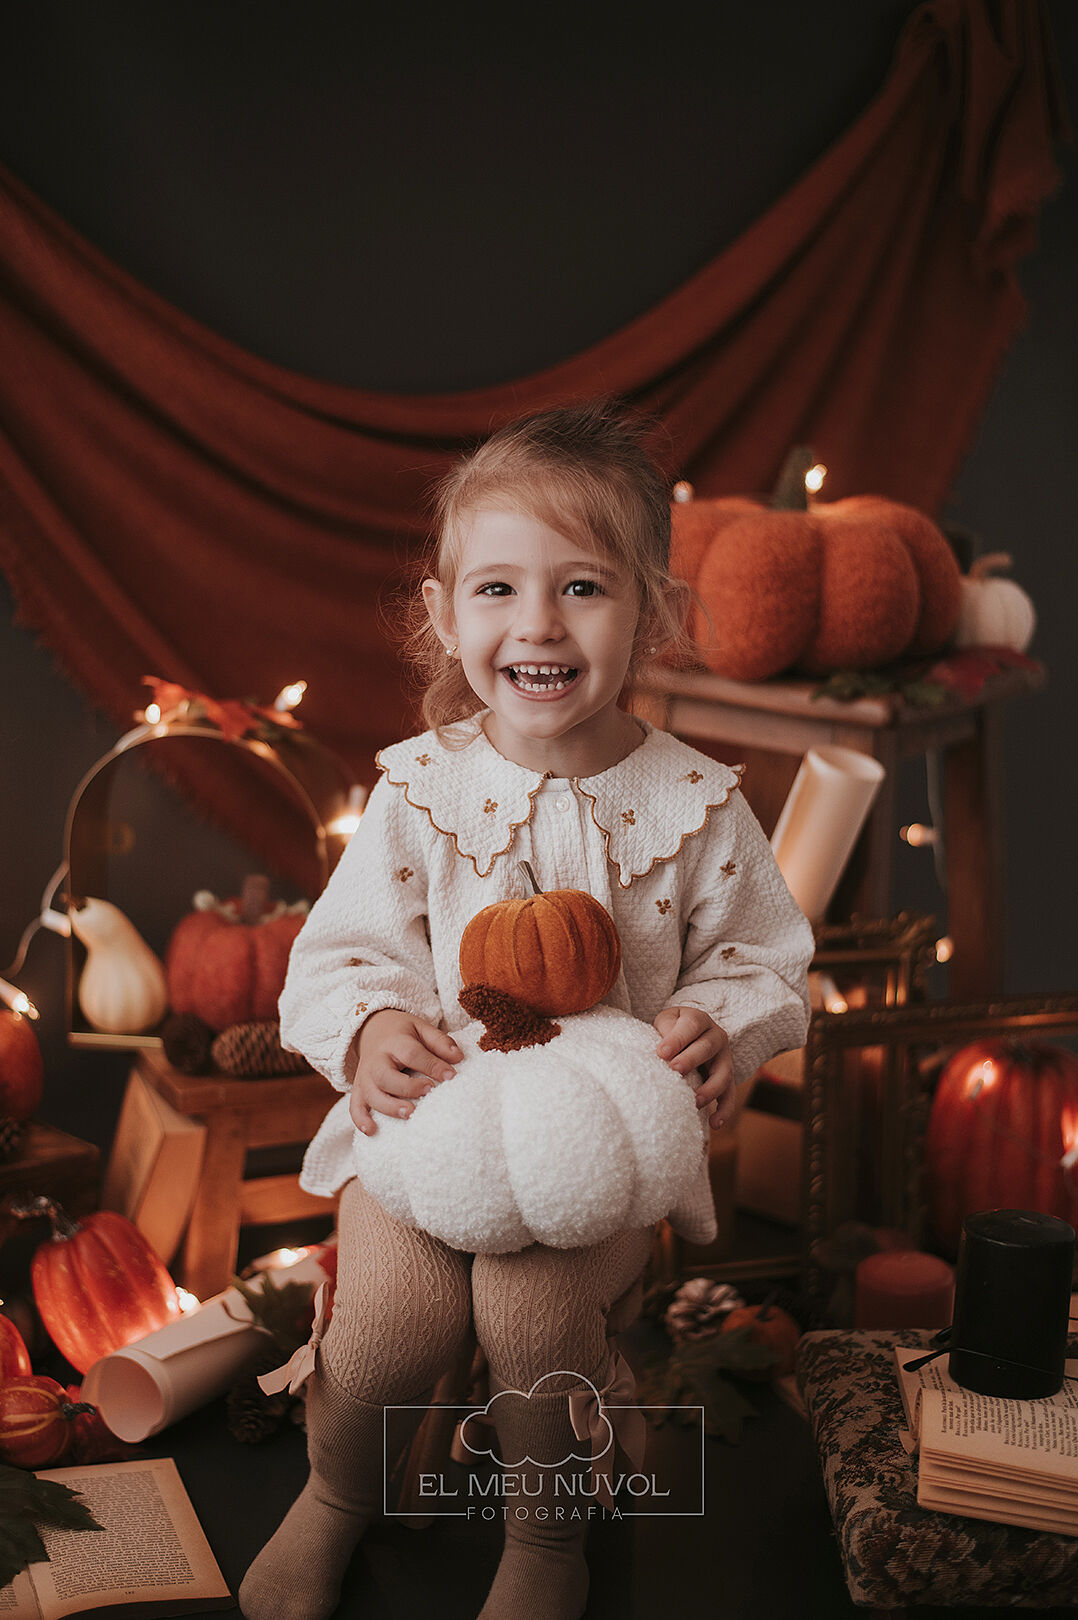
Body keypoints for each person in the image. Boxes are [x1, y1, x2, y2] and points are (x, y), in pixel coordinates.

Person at [239, 401, 815, 1620]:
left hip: (592, 1160)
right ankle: (341, 1494)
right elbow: (337, 957)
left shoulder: (697, 805)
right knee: (392, 1324)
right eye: (497, 589)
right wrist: (370, 1030)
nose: (538, 625)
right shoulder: (418, 791)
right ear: (446, 614)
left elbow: (765, 958)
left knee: (531, 1308)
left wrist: (723, 1023)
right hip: (433, 1130)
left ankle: (546, 1536)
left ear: (650, 613)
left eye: (584, 588)